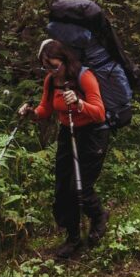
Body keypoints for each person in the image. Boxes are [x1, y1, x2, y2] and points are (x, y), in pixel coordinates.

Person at [19, 39, 110, 258]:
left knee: (79, 187)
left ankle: (99, 217)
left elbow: (99, 112)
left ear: (64, 60)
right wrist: (31, 113)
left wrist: (79, 104)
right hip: (66, 134)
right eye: (45, 66)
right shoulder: (51, 81)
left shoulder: (84, 77)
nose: (50, 70)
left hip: (92, 134)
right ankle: (73, 237)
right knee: (62, 188)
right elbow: (46, 109)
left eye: (53, 65)